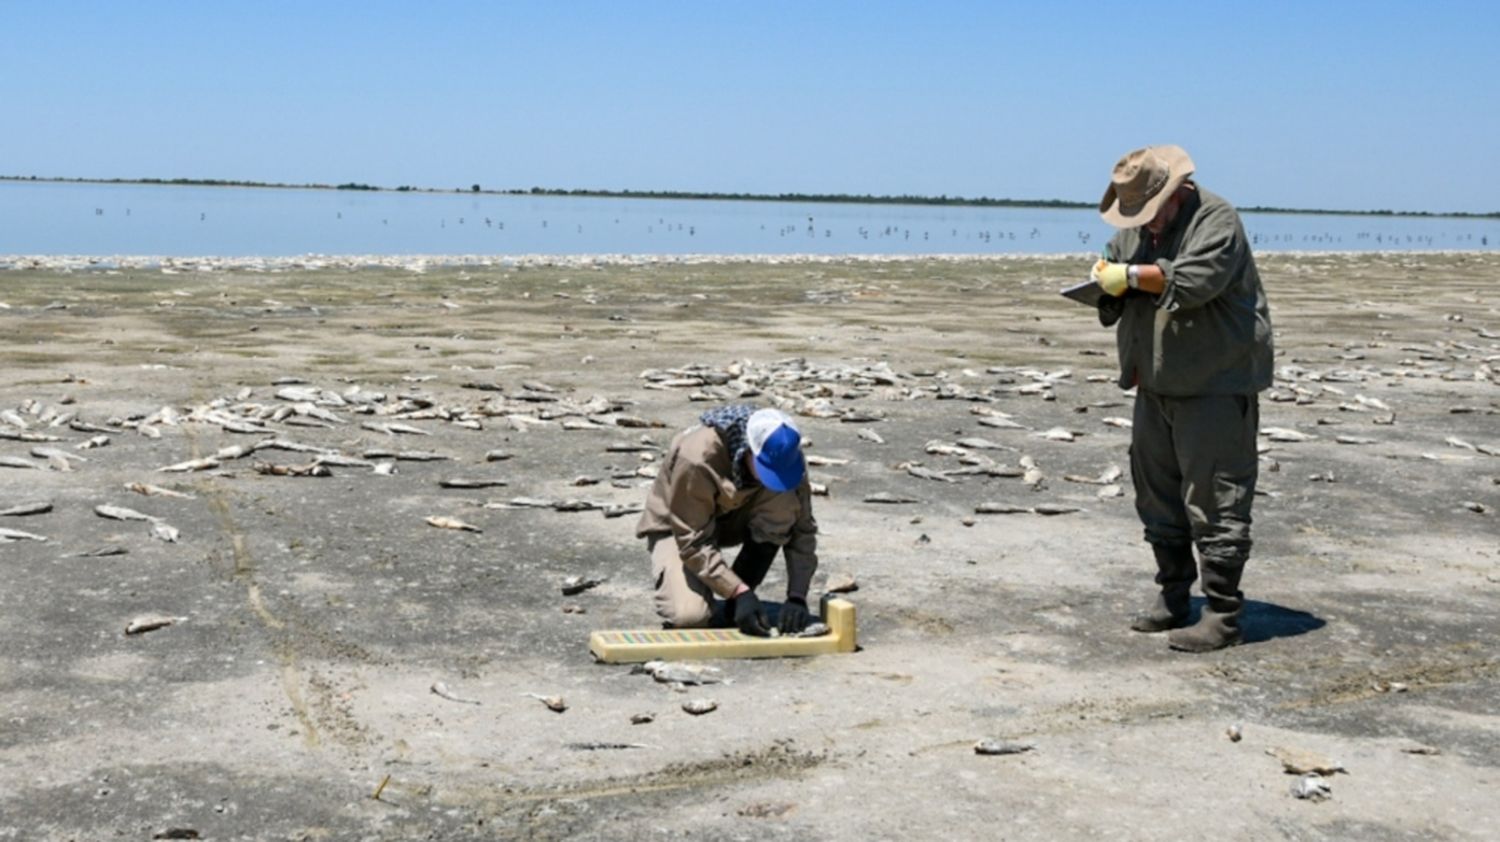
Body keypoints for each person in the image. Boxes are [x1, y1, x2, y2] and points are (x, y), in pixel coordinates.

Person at [1090, 145, 1274, 652]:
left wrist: (1127, 277)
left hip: (1214, 383)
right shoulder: (1136, 227)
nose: (1142, 226)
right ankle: (1173, 597)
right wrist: (1105, 277)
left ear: (1175, 194)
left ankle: (1223, 614)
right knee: (1157, 495)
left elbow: (1191, 282)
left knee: (1217, 498)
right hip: (1154, 383)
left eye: (1148, 214)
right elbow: (1117, 264)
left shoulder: (1217, 220)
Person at [635, 405, 818, 636]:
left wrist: (797, 597)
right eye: (766, 470)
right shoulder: (697, 457)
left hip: (734, 520)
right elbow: (692, 542)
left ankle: (736, 599)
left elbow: (802, 528)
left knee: (783, 499)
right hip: (677, 527)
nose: (774, 478)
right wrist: (739, 592)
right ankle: (732, 593)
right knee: (690, 617)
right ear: (748, 449)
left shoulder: (788, 457)